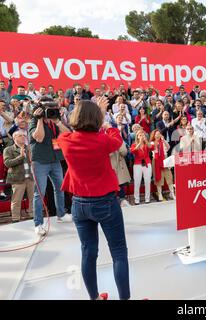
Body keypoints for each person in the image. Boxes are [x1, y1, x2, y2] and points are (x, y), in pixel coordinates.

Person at [57, 98, 130, 300]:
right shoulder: (103, 139)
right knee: (118, 253)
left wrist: (96, 113)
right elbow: (117, 140)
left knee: (88, 253)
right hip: (105, 203)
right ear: (97, 118)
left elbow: (70, 133)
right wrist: (106, 121)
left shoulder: (66, 140)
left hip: (79, 205)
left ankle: (94, 298)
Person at [29, 97, 71, 236]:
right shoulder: (34, 121)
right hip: (40, 161)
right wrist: (40, 119)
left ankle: (61, 214)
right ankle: (38, 224)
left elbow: (67, 134)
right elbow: (39, 138)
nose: (51, 112)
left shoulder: (55, 122)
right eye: (49, 110)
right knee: (39, 193)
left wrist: (57, 121)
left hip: (55, 160)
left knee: (60, 188)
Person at [3, 130, 34, 222]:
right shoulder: (8, 149)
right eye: (20, 135)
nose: (23, 137)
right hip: (17, 178)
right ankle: (15, 218)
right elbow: (7, 163)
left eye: (24, 135)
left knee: (33, 198)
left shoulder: (29, 148)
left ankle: (32, 214)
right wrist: (20, 157)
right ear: (14, 138)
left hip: (30, 177)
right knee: (16, 200)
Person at [150, 129, 175, 201]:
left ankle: (172, 193)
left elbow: (168, 147)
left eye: (159, 134)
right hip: (156, 160)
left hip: (165, 160)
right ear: (154, 135)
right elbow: (151, 148)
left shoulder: (163, 141)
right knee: (158, 177)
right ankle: (160, 193)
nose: (158, 135)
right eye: (156, 134)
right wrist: (156, 143)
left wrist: (163, 140)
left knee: (169, 176)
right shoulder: (152, 143)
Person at [130, 130, 152, 205]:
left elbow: (151, 147)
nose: (142, 136)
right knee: (137, 182)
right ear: (137, 137)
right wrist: (139, 143)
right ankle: (136, 199)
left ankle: (147, 198)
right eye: (140, 135)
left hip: (147, 163)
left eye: (143, 135)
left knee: (147, 181)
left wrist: (145, 140)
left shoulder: (147, 144)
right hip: (137, 164)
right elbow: (133, 151)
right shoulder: (134, 144)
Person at [110, 141, 132, 207]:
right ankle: (118, 202)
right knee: (116, 185)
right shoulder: (104, 138)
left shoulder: (118, 139)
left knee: (120, 184)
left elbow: (124, 152)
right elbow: (123, 152)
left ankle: (120, 201)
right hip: (112, 165)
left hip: (117, 165)